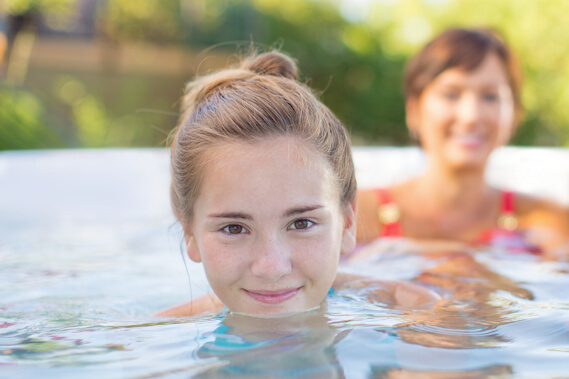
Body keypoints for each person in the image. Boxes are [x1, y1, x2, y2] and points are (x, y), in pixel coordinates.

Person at [156, 50, 438, 317]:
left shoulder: (417, 314)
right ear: (189, 232)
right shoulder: (152, 345)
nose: (272, 267)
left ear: (348, 222)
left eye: (302, 223)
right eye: (234, 228)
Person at [356, 27, 569, 258]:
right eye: (451, 94)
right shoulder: (354, 215)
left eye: (490, 96)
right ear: (414, 109)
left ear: (515, 114)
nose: (471, 116)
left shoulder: (550, 221)